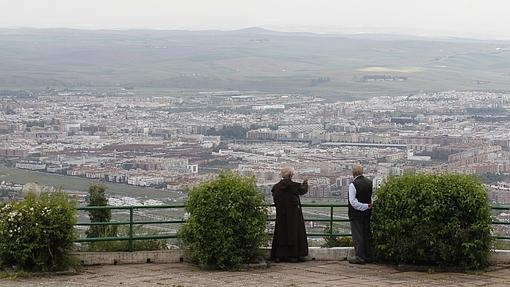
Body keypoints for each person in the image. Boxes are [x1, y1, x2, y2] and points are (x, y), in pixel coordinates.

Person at [271, 167, 309, 262]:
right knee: (294, 233)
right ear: (291, 175)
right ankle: (293, 256)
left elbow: (275, 199)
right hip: (294, 215)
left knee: (281, 234)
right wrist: (305, 182)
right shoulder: (294, 186)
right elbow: (303, 190)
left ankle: (279, 255)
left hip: (281, 214)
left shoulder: (276, 187)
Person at [348, 164, 373, 264]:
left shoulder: (353, 184)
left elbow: (353, 202)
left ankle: (360, 257)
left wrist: (363, 206)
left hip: (356, 214)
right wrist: (368, 206)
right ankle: (369, 256)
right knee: (366, 234)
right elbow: (371, 197)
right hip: (367, 213)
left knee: (358, 236)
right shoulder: (369, 182)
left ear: (353, 173)